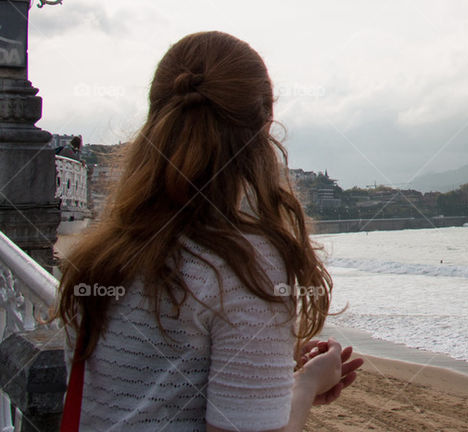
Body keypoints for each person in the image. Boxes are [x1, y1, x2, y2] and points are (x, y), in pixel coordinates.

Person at [56, 31, 362, 431]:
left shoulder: (104, 252)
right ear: (266, 123)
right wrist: (305, 386)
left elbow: (149, 383)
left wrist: (266, 365)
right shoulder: (246, 267)